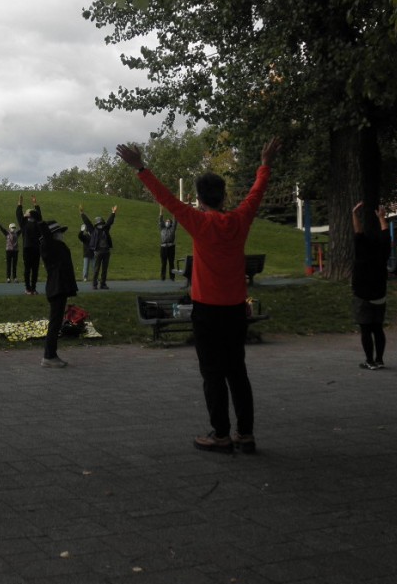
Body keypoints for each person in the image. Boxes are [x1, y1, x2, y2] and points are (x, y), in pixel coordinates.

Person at [117, 136, 282, 455]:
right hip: (236, 310)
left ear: (199, 199)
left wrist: (140, 167)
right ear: (223, 197)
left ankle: (221, 435)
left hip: (207, 311)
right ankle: (245, 435)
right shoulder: (239, 220)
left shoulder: (198, 222)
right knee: (237, 372)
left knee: (213, 374)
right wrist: (265, 164)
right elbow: (256, 194)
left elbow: (165, 198)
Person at [351, 202, 391, 369]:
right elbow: (385, 236)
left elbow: (358, 231)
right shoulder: (383, 254)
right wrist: (381, 218)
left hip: (362, 295)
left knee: (366, 330)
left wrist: (354, 214)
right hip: (379, 294)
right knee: (378, 329)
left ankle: (370, 360)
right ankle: (380, 359)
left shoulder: (361, 252)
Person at [38, 219, 78, 368]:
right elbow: (46, 236)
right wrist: (39, 220)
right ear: (54, 234)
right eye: (60, 232)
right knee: (54, 324)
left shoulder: (55, 247)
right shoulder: (50, 246)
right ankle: (49, 356)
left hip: (59, 288)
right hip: (57, 288)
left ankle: (50, 355)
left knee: (56, 323)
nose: (62, 235)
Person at [79, 205, 117, 289]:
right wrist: (82, 214)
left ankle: (100, 284)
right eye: (100, 224)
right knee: (98, 269)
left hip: (104, 252)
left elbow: (109, 222)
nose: (100, 225)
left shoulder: (97, 230)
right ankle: (96, 284)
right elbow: (88, 222)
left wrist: (113, 213)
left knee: (101, 269)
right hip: (100, 252)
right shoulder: (98, 230)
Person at [16, 194, 43, 295]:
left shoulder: (37, 222)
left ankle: (33, 288)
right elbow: (18, 213)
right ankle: (28, 288)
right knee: (27, 269)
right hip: (27, 248)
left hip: (36, 248)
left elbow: (39, 215)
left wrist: (35, 203)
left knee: (35, 269)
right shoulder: (23, 223)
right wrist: (20, 203)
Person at [0, 217, 20, 282]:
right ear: (9, 228)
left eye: (14, 227)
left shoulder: (17, 233)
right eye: (12, 227)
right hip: (9, 251)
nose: (13, 229)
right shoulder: (7, 233)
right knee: (8, 264)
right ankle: (8, 278)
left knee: (14, 265)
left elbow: (22, 227)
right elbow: (1, 228)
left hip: (15, 251)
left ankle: (15, 278)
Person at [159, 208, 177, 281]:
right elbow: (160, 221)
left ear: (171, 223)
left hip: (171, 247)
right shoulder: (162, 228)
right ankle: (163, 277)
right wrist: (161, 212)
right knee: (163, 263)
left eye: (169, 221)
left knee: (171, 263)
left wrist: (174, 212)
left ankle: (172, 277)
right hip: (163, 247)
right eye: (166, 221)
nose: (167, 222)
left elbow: (175, 221)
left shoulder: (172, 229)